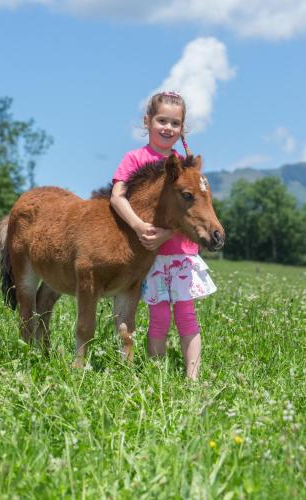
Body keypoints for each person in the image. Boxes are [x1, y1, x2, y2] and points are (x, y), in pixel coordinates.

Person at [110, 91, 216, 380]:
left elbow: (193, 209)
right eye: (162, 120)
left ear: (182, 129)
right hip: (150, 257)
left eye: (175, 123)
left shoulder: (185, 166)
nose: (168, 128)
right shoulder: (135, 158)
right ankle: (157, 376)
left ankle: (192, 379)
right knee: (158, 319)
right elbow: (117, 197)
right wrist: (138, 226)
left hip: (181, 253)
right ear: (147, 121)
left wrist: (167, 232)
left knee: (186, 317)